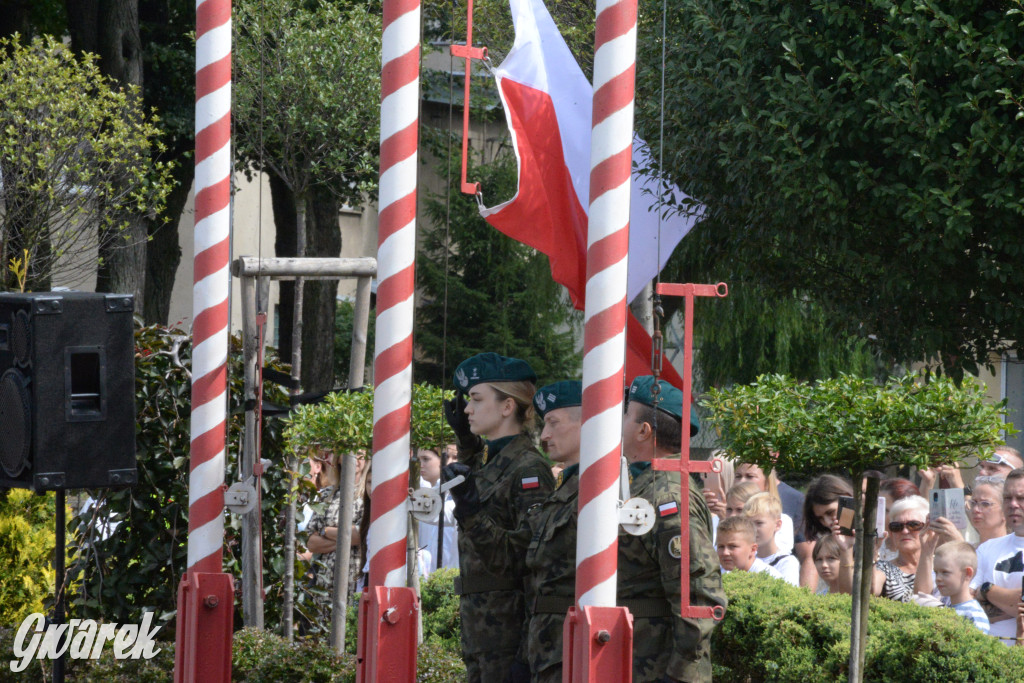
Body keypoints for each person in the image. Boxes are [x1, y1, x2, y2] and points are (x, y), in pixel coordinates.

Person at [441, 353, 555, 682]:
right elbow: (483, 476)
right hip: (483, 629)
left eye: (477, 400)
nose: (467, 409)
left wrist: (524, 651)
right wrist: (465, 440)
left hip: (508, 632)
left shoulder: (529, 468)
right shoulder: (495, 458)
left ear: (507, 407)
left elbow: (529, 560)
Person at [617, 376, 726, 683]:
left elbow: (698, 594)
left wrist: (680, 674)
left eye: (626, 415)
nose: (618, 422)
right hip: (637, 658)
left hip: (658, 666)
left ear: (644, 430)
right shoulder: (644, 484)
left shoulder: (667, 495)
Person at [971, 468, 1024, 646]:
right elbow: (967, 603)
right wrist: (1014, 605)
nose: (1013, 504)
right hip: (987, 657)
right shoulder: (987, 549)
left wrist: (987, 590)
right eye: (1008, 498)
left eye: (1021, 498)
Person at [733, 461, 806, 560]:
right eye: (738, 476)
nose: (742, 481)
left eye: (750, 476)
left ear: (767, 482)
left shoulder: (783, 520)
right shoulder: (724, 515)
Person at [872, 495, 930, 602]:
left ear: (927, 527)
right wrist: (872, 552)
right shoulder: (884, 568)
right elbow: (871, 590)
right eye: (897, 526)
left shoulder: (942, 564)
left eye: (913, 525)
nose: (904, 531)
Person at [929, 541, 990, 634]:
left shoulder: (973, 614)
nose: (938, 578)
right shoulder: (947, 609)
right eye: (936, 572)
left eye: (945, 572)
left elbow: (978, 647)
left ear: (967, 573)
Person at [415, 448, 459, 574]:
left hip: (449, 574)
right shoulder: (432, 491)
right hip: (429, 573)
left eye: (426, 459)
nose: (421, 464)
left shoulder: (457, 494)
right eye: (419, 460)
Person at [743, 492, 799, 585]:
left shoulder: (787, 562)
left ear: (777, 525)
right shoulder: (745, 558)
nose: (753, 529)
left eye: (759, 523)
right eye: (748, 524)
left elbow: (788, 596)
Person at [715, 515, 784, 580]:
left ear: (753, 549)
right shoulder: (716, 577)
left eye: (732, 546)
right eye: (721, 547)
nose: (725, 553)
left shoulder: (770, 578)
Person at [968, 476, 1008, 546]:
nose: (975, 509)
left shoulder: (1016, 552)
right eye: (973, 503)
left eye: (985, 504)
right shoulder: (971, 549)